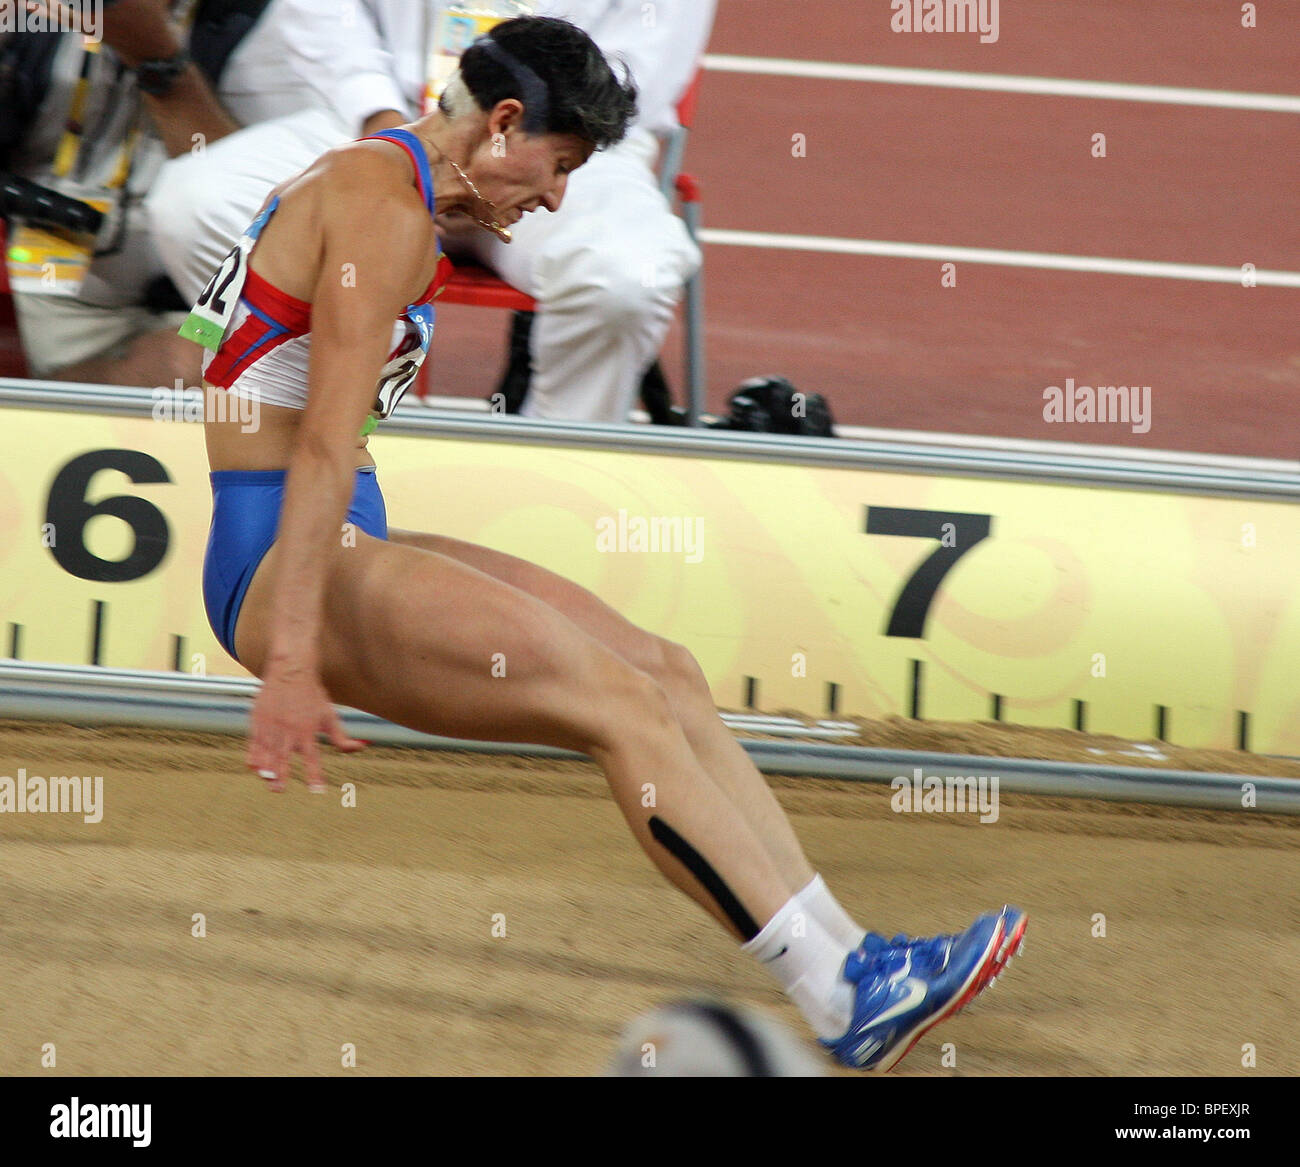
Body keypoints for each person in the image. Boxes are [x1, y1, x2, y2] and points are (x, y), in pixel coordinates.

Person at [185, 16, 1025, 1073]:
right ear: (502, 123)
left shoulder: (384, 181)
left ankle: (858, 956)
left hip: (332, 536)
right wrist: (296, 659)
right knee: (615, 708)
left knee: (661, 672)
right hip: (281, 563)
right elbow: (318, 445)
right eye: (561, 164)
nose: (555, 198)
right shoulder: (379, 211)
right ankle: (837, 992)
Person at [149, 0, 713, 422]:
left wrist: (511, 157)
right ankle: (312, 418)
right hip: (395, 113)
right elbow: (323, 10)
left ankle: (559, 469)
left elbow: (635, 70)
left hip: (566, 147)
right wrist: (385, 128)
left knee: (623, 278)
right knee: (194, 204)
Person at [3, 0, 239, 385]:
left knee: (195, 369)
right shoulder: (33, 17)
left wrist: (158, 58)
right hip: (53, 252)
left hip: (212, 268)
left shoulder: (260, 18)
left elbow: (255, 185)